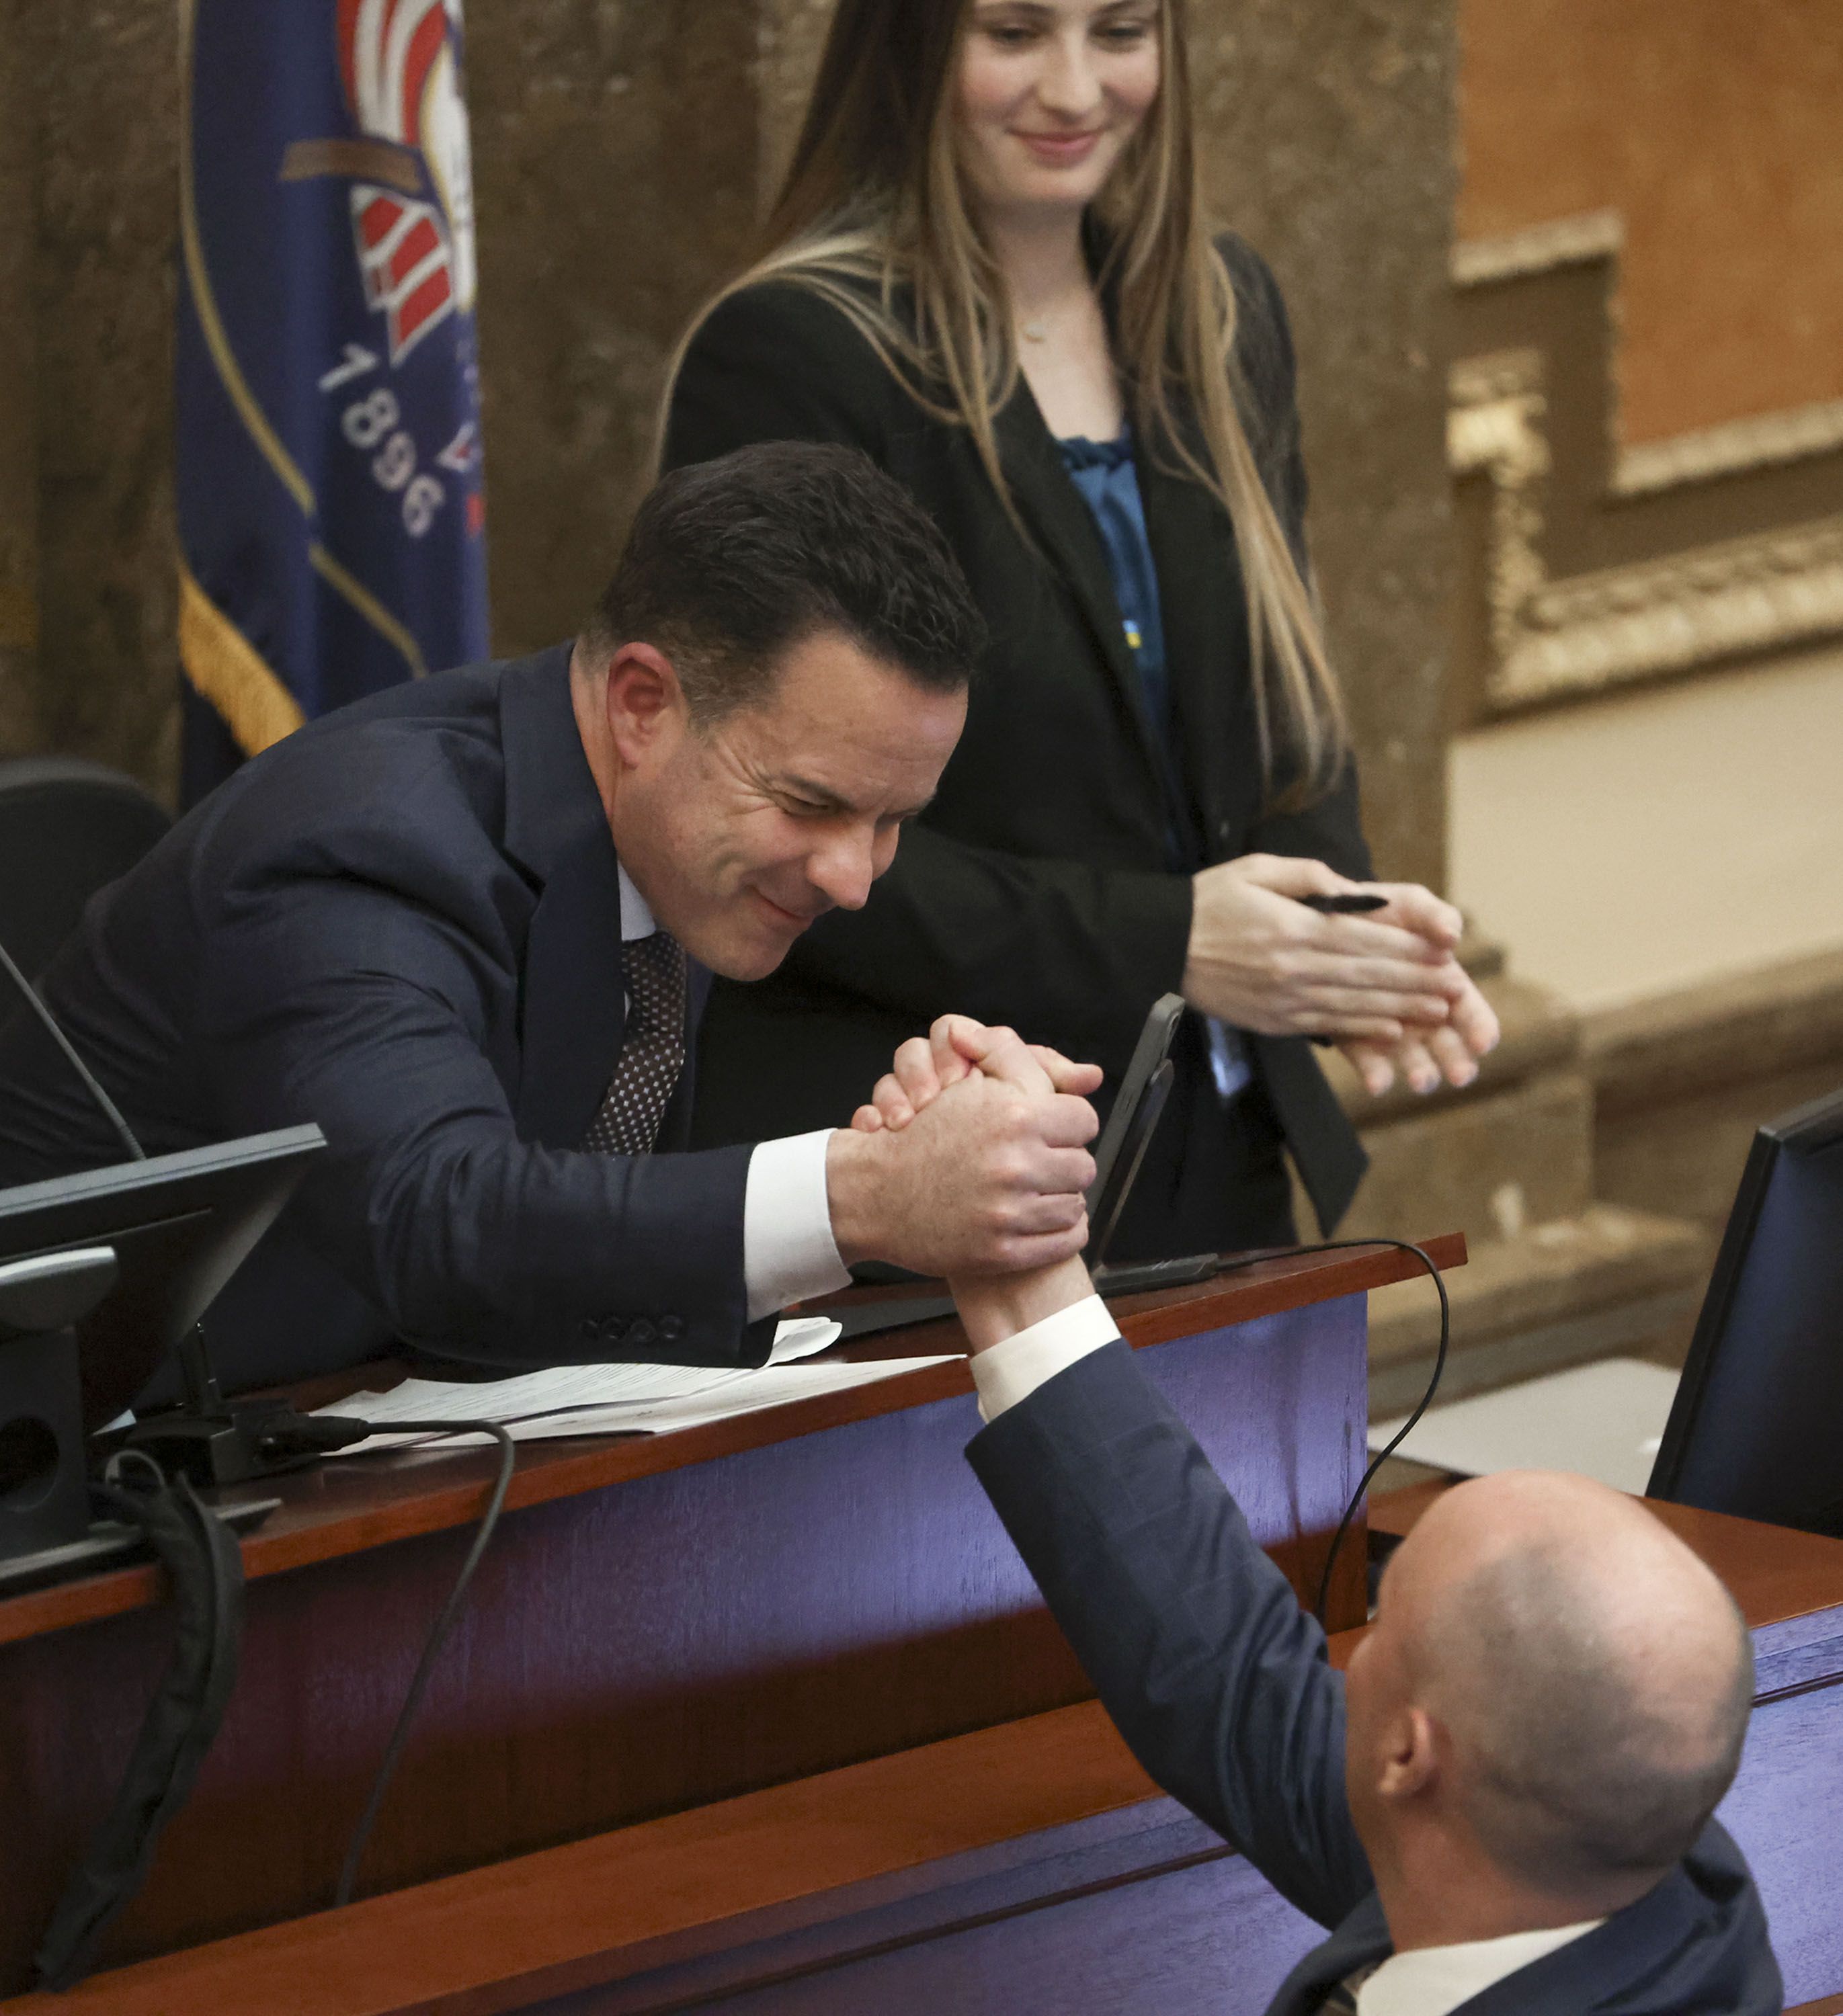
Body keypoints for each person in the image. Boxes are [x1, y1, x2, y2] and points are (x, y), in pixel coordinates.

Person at [659, 0, 1499, 1263]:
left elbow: (1284, 709)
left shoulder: (1219, 306)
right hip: (926, 1165)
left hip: (1218, 1160)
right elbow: (767, 833)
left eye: (1118, 30)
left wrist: (1337, 940)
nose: (1073, 88)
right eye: (1012, 33)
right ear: (913, 46)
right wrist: (1175, 944)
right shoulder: (793, 351)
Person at [0, 444, 1103, 1399]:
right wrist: (859, 1196)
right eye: (811, 804)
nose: (853, 878)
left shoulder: (678, 840)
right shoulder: (357, 844)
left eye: (893, 820)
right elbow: (437, 1217)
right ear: (641, 706)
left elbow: (573, 1238)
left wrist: (923, 1167)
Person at [874, 1026, 1780, 2015]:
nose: (1339, 1665)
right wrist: (1019, 1266)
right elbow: (1228, 1675)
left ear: (1407, 1756)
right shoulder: (1661, 1887)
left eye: (1385, 1631)